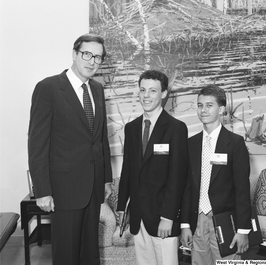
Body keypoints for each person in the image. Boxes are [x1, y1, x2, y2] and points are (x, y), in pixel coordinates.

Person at [28, 33, 112, 265]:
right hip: (63, 191)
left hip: (93, 188)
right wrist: (42, 190)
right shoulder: (49, 88)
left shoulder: (97, 90)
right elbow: (37, 144)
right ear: (74, 54)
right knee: (67, 255)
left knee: (89, 254)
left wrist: (106, 179)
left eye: (98, 57)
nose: (92, 61)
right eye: (87, 54)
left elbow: (100, 138)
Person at [117, 70, 188, 265]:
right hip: (138, 217)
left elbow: (177, 177)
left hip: (162, 217)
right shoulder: (131, 128)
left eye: (153, 91)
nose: (146, 96)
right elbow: (127, 171)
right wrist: (122, 207)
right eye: (142, 90)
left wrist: (168, 216)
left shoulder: (176, 128)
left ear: (164, 94)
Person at [180, 84, 252, 265]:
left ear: (221, 109)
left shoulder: (235, 143)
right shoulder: (191, 144)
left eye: (209, 105)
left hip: (224, 221)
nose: (203, 110)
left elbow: (242, 188)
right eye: (200, 105)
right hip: (197, 221)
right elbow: (187, 188)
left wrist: (243, 230)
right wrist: (185, 225)